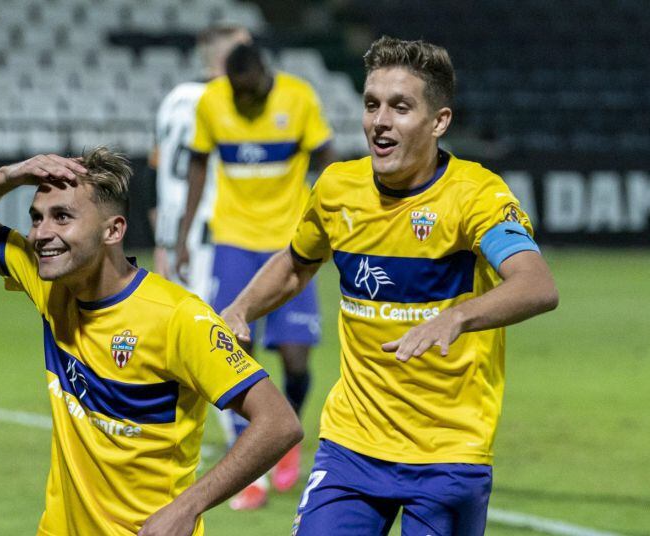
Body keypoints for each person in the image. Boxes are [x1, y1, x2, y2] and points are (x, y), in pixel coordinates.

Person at [220, 36, 559, 535]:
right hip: (350, 447)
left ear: (439, 121)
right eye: (372, 104)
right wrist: (241, 309)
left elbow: (536, 283)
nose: (380, 121)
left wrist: (458, 315)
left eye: (401, 107)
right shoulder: (338, 188)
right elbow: (297, 263)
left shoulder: (476, 195)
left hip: (448, 454)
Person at [0, 147, 302, 536]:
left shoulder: (177, 317)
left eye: (62, 217)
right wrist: (10, 174)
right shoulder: (48, 281)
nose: (41, 234)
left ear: (113, 230)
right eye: (36, 218)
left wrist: (187, 507)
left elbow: (278, 424)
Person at [174, 42, 336, 509]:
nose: (245, 100)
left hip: (290, 242)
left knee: (296, 357)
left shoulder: (298, 98)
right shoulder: (213, 102)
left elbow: (327, 157)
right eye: (238, 92)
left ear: (266, 72)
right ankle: (250, 459)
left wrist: (337, 213)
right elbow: (200, 165)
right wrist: (186, 233)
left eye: (252, 91)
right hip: (234, 240)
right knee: (233, 349)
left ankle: (284, 436)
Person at [148, 24, 252, 302]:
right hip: (211, 227)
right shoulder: (226, 101)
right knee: (215, 328)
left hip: (172, 228)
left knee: (178, 326)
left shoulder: (173, 99)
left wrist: (161, 240)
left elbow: (154, 169)